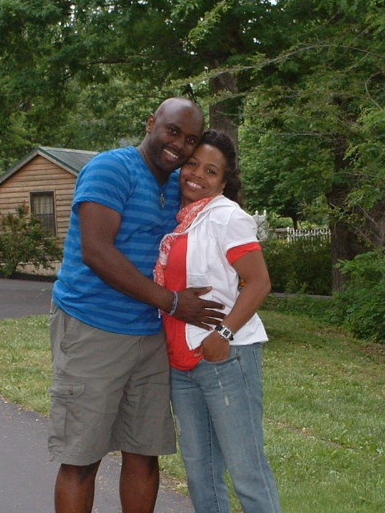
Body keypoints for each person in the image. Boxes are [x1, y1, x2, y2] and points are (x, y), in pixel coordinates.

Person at [49, 98, 226, 513]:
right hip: (93, 328)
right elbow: (96, 250)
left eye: (190, 140)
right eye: (172, 131)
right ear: (151, 124)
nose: (180, 145)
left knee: (144, 453)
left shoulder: (172, 185)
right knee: (82, 457)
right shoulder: (111, 168)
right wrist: (172, 302)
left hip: (148, 336)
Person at [154, 130, 283, 513]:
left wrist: (223, 333)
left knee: (247, 472)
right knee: (201, 474)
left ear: (223, 183)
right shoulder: (181, 220)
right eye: (192, 164)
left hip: (226, 360)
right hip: (182, 365)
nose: (197, 175)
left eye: (211, 171)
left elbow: (259, 283)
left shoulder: (225, 216)